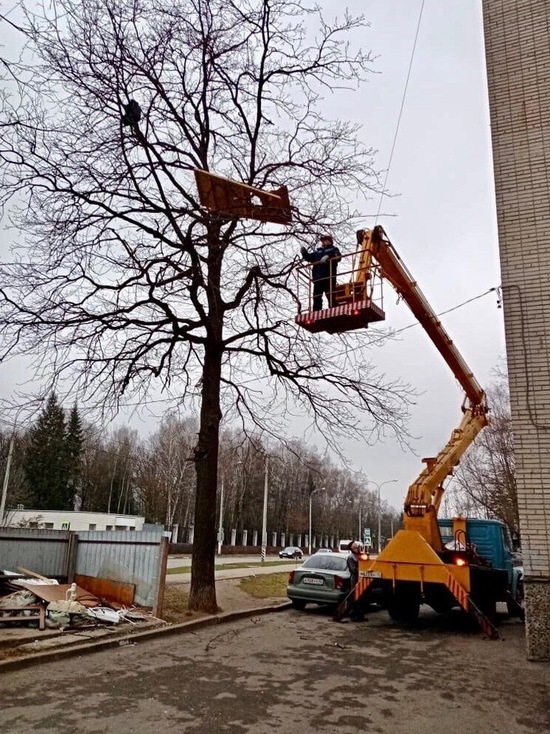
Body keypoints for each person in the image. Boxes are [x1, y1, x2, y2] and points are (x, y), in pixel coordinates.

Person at [300, 234, 342, 311]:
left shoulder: (334, 249)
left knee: (330, 294)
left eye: (326, 240)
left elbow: (338, 257)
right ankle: (316, 311)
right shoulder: (317, 252)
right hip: (318, 277)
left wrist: (328, 256)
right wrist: (304, 253)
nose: (324, 242)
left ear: (330, 241)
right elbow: (309, 257)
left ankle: (334, 309)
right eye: (323, 240)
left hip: (328, 276)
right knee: (316, 296)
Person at [346, 540, 366, 621]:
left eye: (357, 546)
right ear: (351, 548)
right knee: (355, 597)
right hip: (355, 579)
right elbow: (353, 569)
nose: (357, 547)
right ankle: (354, 615)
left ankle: (361, 615)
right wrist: (362, 570)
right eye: (355, 546)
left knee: (362, 597)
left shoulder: (359, 555)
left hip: (361, 578)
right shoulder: (351, 557)